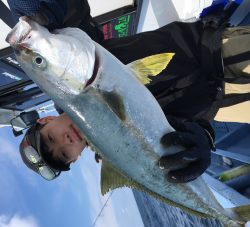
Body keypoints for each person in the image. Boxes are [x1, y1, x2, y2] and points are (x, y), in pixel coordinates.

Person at [8, 0, 249, 182]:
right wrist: (202, 139)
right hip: (227, 103)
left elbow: (69, 17)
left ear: (47, 119)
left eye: (52, 137)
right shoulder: (122, 154)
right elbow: (184, 131)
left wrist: (36, 10)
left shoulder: (80, 66)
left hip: (215, 48)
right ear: (75, 158)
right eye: (64, 153)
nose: (66, 140)